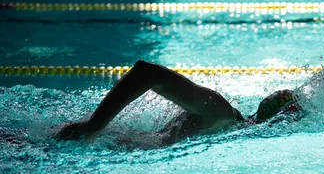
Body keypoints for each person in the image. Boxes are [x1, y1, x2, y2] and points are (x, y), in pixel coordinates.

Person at [55, 60, 302, 144]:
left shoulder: (228, 125)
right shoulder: (221, 113)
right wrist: (94, 126)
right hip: (107, 147)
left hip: (120, 146)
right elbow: (146, 72)